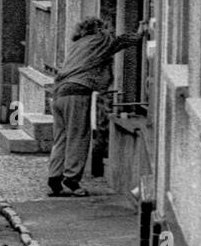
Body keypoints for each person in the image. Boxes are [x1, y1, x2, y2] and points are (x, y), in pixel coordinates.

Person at [47, 16, 149, 196]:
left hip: (58, 93)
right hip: (77, 92)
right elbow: (119, 42)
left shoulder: (77, 44)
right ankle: (72, 180)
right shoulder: (99, 40)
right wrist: (140, 34)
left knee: (61, 137)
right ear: (100, 29)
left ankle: (54, 177)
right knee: (78, 136)